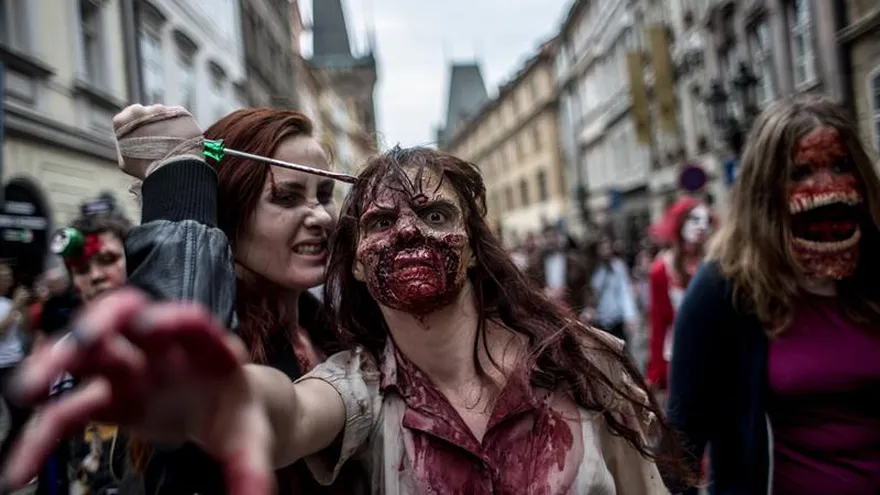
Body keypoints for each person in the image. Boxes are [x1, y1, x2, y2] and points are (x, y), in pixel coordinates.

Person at [0, 145, 692, 494]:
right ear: (356, 261)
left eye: (437, 214)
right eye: (383, 220)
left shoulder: (583, 364)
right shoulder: (357, 387)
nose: (409, 233)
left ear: (476, 246)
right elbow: (275, 415)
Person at [119, 106, 366, 494]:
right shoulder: (210, 325)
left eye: (324, 194)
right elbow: (189, 383)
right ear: (231, 210)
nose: (320, 216)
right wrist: (179, 178)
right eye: (286, 197)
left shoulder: (333, 327)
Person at [661, 95, 880, 494]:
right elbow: (680, 447)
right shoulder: (724, 289)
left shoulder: (876, 270)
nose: (826, 186)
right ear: (767, 191)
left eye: (840, 166)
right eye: (802, 172)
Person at [38, 211, 136, 495]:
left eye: (108, 260)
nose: (94, 276)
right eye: (81, 269)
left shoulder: (163, 340)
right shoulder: (64, 352)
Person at [645, 196, 713, 393]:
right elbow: (658, 324)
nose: (701, 226)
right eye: (694, 220)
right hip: (680, 358)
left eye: (706, 220)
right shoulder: (661, 270)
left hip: (717, 356)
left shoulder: (717, 265)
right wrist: (656, 371)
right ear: (680, 223)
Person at [0, 261, 30, 467]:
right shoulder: (8, 304)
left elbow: (25, 329)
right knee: (16, 416)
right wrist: (17, 306)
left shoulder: (8, 302)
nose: (9, 280)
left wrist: (24, 308)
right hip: (2, 367)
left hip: (15, 363)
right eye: (4, 277)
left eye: (10, 276)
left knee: (23, 416)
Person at [586, 236, 638, 346]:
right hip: (599, 320)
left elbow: (625, 291)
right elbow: (590, 292)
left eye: (607, 248)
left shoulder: (618, 266)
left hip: (616, 319)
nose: (606, 252)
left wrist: (629, 315)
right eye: (602, 249)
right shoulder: (593, 270)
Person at [527, 224, 589, 314]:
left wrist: (588, 307)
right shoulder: (535, 264)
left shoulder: (574, 260)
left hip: (574, 308)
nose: (551, 240)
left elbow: (587, 286)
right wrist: (543, 293)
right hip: (549, 310)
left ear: (560, 238)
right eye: (547, 237)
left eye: (554, 236)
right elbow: (530, 287)